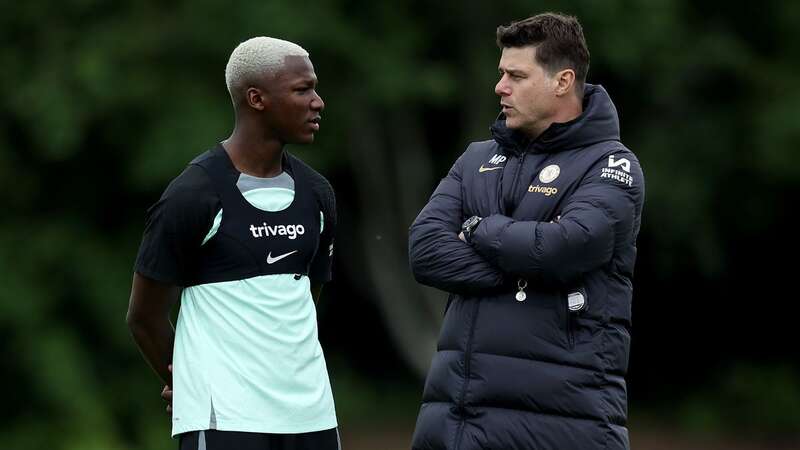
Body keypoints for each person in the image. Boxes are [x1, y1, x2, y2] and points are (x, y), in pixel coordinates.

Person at [408, 13, 645, 450]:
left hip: (561, 429)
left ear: (562, 81)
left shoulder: (612, 165)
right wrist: (521, 264)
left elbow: (565, 248)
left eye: (516, 75)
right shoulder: (476, 158)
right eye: (502, 74)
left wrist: (479, 229)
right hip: (452, 427)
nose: (501, 87)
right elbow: (424, 250)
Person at [126, 37, 341, 450]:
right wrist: (184, 380)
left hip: (313, 418)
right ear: (256, 98)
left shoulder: (318, 194)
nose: (318, 102)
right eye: (302, 89)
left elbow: (304, 302)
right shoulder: (193, 196)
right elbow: (143, 317)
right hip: (226, 419)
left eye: (314, 88)